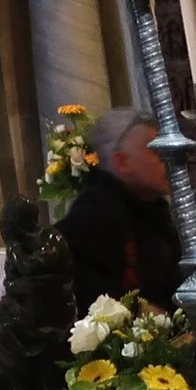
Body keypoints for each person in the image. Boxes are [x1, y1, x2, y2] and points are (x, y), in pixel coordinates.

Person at [59, 108, 184, 312]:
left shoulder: (155, 208)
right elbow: (91, 298)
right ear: (122, 162)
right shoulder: (93, 215)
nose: (167, 160)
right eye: (155, 151)